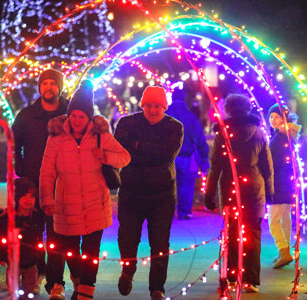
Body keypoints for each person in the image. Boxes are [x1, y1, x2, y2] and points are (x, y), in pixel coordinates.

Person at [12, 69, 108, 295]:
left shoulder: (72, 114)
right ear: (39, 87)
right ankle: (43, 280)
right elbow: (14, 144)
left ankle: (66, 281)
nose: (48, 88)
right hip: (34, 185)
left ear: (60, 87)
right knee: (35, 236)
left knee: (62, 239)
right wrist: (21, 168)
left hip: (66, 186)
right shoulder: (27, 116)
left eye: (53, 84)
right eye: (44, 83)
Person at [39, 79, 131, 300]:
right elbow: (47, 171)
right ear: (69, 115)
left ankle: (85, 293)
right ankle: (79, 281)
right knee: (71, 251)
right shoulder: (56, 137)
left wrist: (106, 156)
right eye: (74, 116)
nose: (78, 120)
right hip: (66, 204)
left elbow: (125, 157)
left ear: (89, 117)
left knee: (91, 253)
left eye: (82, 116)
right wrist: (46, 199)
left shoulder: (100, 135)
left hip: (95, 204)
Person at [114, 86, 183, 300]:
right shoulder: (127, 123)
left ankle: (156, 287)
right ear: (142, 105)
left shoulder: (174, 127)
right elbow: (120, 152)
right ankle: (128, 269)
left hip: (161, 195)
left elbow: (166, 155)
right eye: (149, 105)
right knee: (127, 238)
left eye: (157, 106)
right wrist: (148, 150)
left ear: (164, 107)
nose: (152, 110)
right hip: (131, 192)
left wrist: (136, 147)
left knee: (160, 242)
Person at [204, 94, 273, 293]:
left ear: (228, 110)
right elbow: (267, 166)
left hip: (231, 188)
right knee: (253, 233)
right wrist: (270, 191)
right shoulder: (259, 133)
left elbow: (215, 167)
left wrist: (209, 194)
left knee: (233, 233)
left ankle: (233, 276)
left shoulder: (223, 135)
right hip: (254, 187)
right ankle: (251, 279)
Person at [0, 177, 45, 300]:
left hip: (31, 262)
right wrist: (1, 256)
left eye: (32, 197)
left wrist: (40, 257)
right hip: (14, 261)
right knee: (13, 288)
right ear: (17, 198)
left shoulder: (35, 218)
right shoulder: (10, 218)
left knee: (29, 289)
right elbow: (1, 237)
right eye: (25, 196)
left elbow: (39, 238)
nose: (28, 200)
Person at [166, 83, 209, 219]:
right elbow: (200, 139)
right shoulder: (190, 117)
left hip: (168, 157)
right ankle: (184, 212)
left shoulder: (165, 116)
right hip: (185, 156)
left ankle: (167, 211)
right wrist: (204, 158)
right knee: (185, 184)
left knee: (167, 185)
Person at [267, 103, 302, 268]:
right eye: (271, 117)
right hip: (288, 182)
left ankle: (284, 251)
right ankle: (285, 250)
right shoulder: (288, 135)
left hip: (279, 183)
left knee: (273, 220)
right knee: (285, 218)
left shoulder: (279, 138)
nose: (273, 120)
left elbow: (272, 162)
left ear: (283, 119)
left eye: (276, 117)